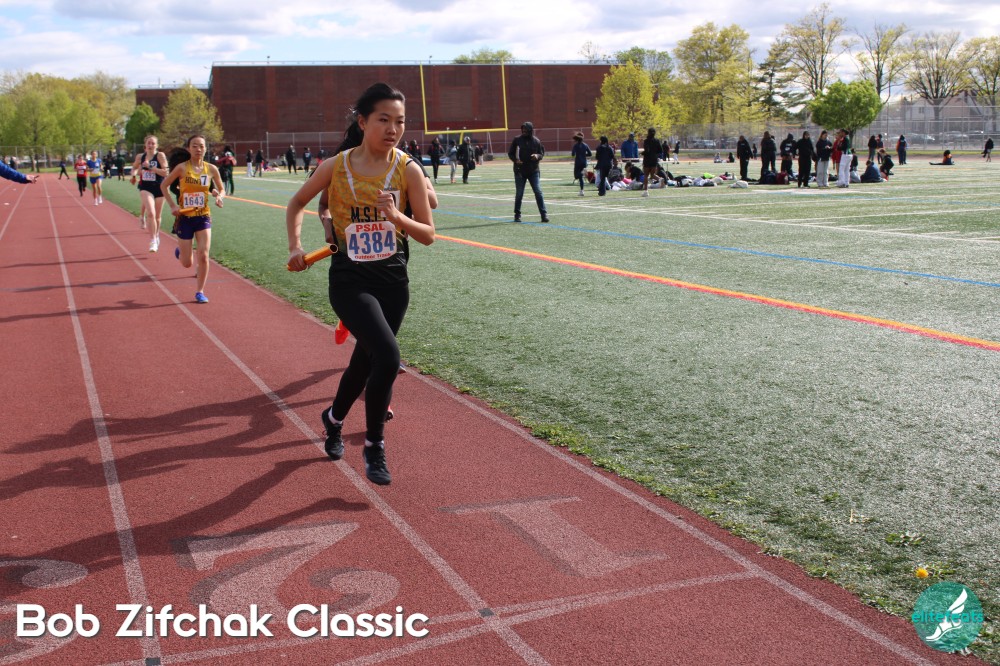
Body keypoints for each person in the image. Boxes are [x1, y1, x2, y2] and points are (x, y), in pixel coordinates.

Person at [285, 82, 434, 487]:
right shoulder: (336, 166)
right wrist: (296, 246)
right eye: (384, 119)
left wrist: (397, 217)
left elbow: (428, 234)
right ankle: (374, 445)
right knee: (387, 355)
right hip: (349, 280)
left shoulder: (408, 169)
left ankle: (333, 420)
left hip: (393, 281)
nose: (393, 129)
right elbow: (297, 203)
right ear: (363, 122)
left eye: (400, 121)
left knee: (365, 361)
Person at [161, 135, 225, 304]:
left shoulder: (211, 169)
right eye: (195, 146)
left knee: (203, 255)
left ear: (206, 148)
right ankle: (181, 251)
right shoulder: (182, 168)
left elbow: (221, 188)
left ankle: (200, 291)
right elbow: (164, 185)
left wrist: (219, 196)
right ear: (189, 149)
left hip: (203, 216)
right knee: (187, 263)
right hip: (185, 218)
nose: (198, 149)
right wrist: (172, 206)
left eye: (201, 146)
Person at [130, 135, 169, 252]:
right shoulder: (140, 157)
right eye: (149, 143)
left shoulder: (160, 156)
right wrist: (133, 175)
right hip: (146, 188)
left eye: (153, 143)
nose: (150, 145)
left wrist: (151, 167)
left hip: (160, 187)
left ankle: (156, 235)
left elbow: (165, 172)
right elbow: (134, 168)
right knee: (151, 213)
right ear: (145, 145)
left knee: (157, 216)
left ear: (157, 145)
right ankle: (153, 240)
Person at [507, 121, 548, 222]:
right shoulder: (517, 140)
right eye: (523, 129)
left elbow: (541, 154)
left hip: (533, 170)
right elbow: (510, 153)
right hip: (520, 171)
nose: (524, 131)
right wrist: (516, 160)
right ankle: (517, 215)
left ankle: (544, 214)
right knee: (519, 193)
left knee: (538, 192)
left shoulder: (536, 141)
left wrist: (537, 156)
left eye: (526, 129)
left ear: (530, 130)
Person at [640, 128, 661, 198]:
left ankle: (646, 191)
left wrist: (642, 153)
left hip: (647, 159)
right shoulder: (657, 141)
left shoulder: (646, 141)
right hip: (654, 159)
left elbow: (647, 150)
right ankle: (660, 179)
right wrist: (655, 154)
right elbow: (660, 150)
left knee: (646, 175)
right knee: (652, 175)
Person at [571, 131, 592, 196]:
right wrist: (584, 154)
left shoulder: (575, 146)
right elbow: (590, 154)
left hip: (578, 162)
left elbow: (573, 154)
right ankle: (582, 191)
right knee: (581, 178)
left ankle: (582, 173)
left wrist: (577, 153)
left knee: (576, 176)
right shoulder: (585, 145)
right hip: (584, 162)